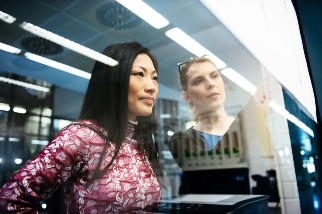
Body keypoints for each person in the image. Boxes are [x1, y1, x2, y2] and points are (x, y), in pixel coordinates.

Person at [0, 41, 163, 213]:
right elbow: (10, 200)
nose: (151, 87)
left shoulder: (141, 142)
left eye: (155, 78)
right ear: (113, 80)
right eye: (139, 74)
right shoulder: (80, 136)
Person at [169, 55, 236, 194]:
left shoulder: (246, 128)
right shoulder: (180, 140)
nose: (210, 84)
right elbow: (210, 179)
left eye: (214, 76)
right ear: (187, 96)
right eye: (198, 81)